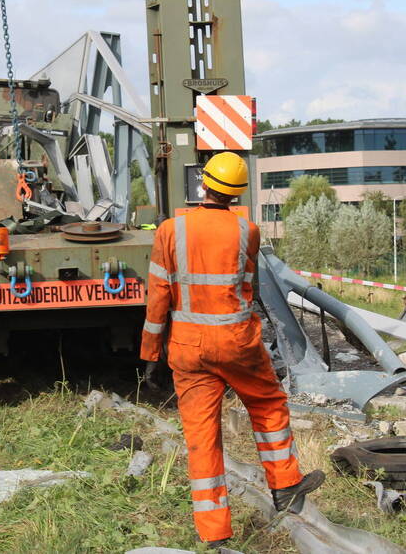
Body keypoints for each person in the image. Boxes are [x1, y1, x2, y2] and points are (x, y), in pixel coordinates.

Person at [140, 152, 324, 547]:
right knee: (268, 405)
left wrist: (150, 351)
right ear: (237, 193)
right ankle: (286, 485)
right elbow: (249, 289)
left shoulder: (170, 230)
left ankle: (214, 534)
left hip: (188, 348)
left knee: (201, 437)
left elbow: (158, 295)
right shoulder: (247, 231)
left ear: (202, 184)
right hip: (238, 342)